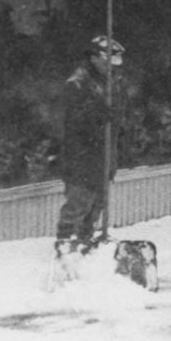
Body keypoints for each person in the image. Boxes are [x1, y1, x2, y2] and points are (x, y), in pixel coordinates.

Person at [54, 34, 127, 256]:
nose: (110, 67)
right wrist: (99, 114)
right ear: (94, 58)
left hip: (104, 153)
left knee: (98, 203)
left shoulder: (113, 81)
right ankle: (65, 244)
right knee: (79, 202)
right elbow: (76, 120)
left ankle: (85, 242)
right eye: (106, 62)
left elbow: (118, 115)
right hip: (82, 156)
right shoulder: (79, 83)